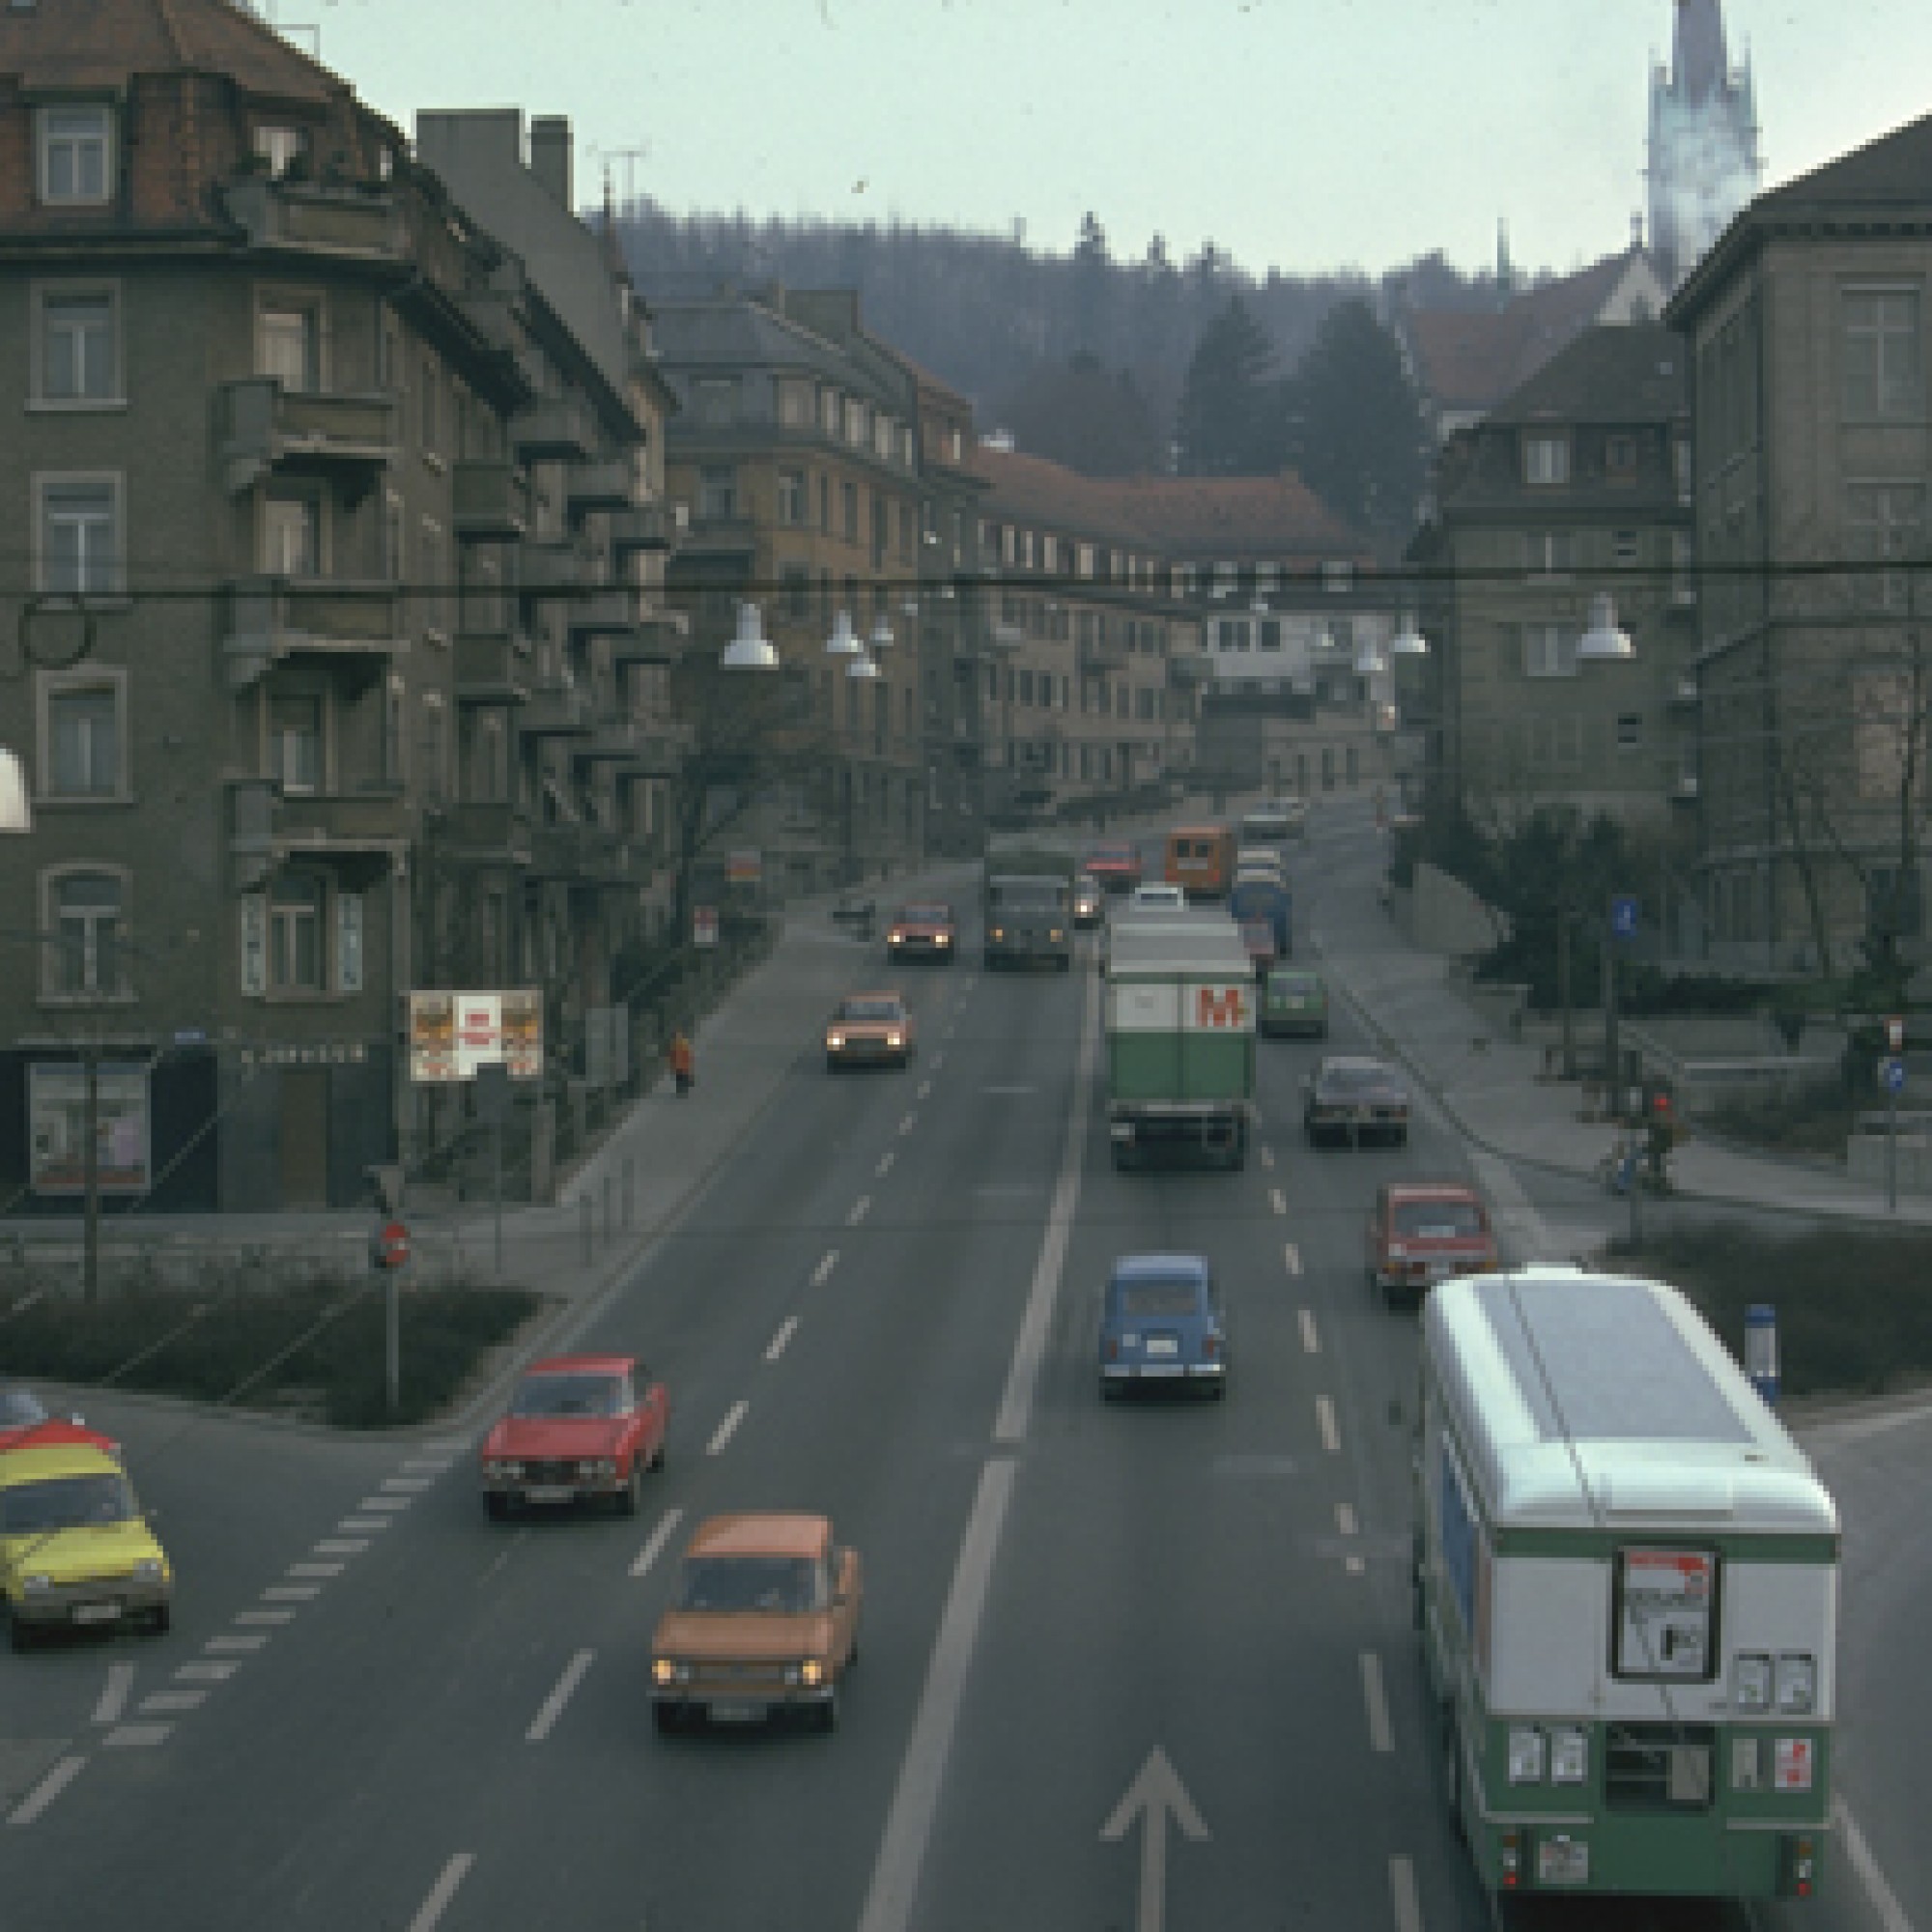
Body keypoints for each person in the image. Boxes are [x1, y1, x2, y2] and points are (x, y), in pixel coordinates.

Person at [669, 1030, 694, 1096]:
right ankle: (681, 1089)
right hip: (680, 1065)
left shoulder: (681, 1044)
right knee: (680, 1078)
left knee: (682, 1077)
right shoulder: (677, 1044)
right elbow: (673, 1055)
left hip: (682, 1065)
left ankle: (683, 1089)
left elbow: (687, 1054)